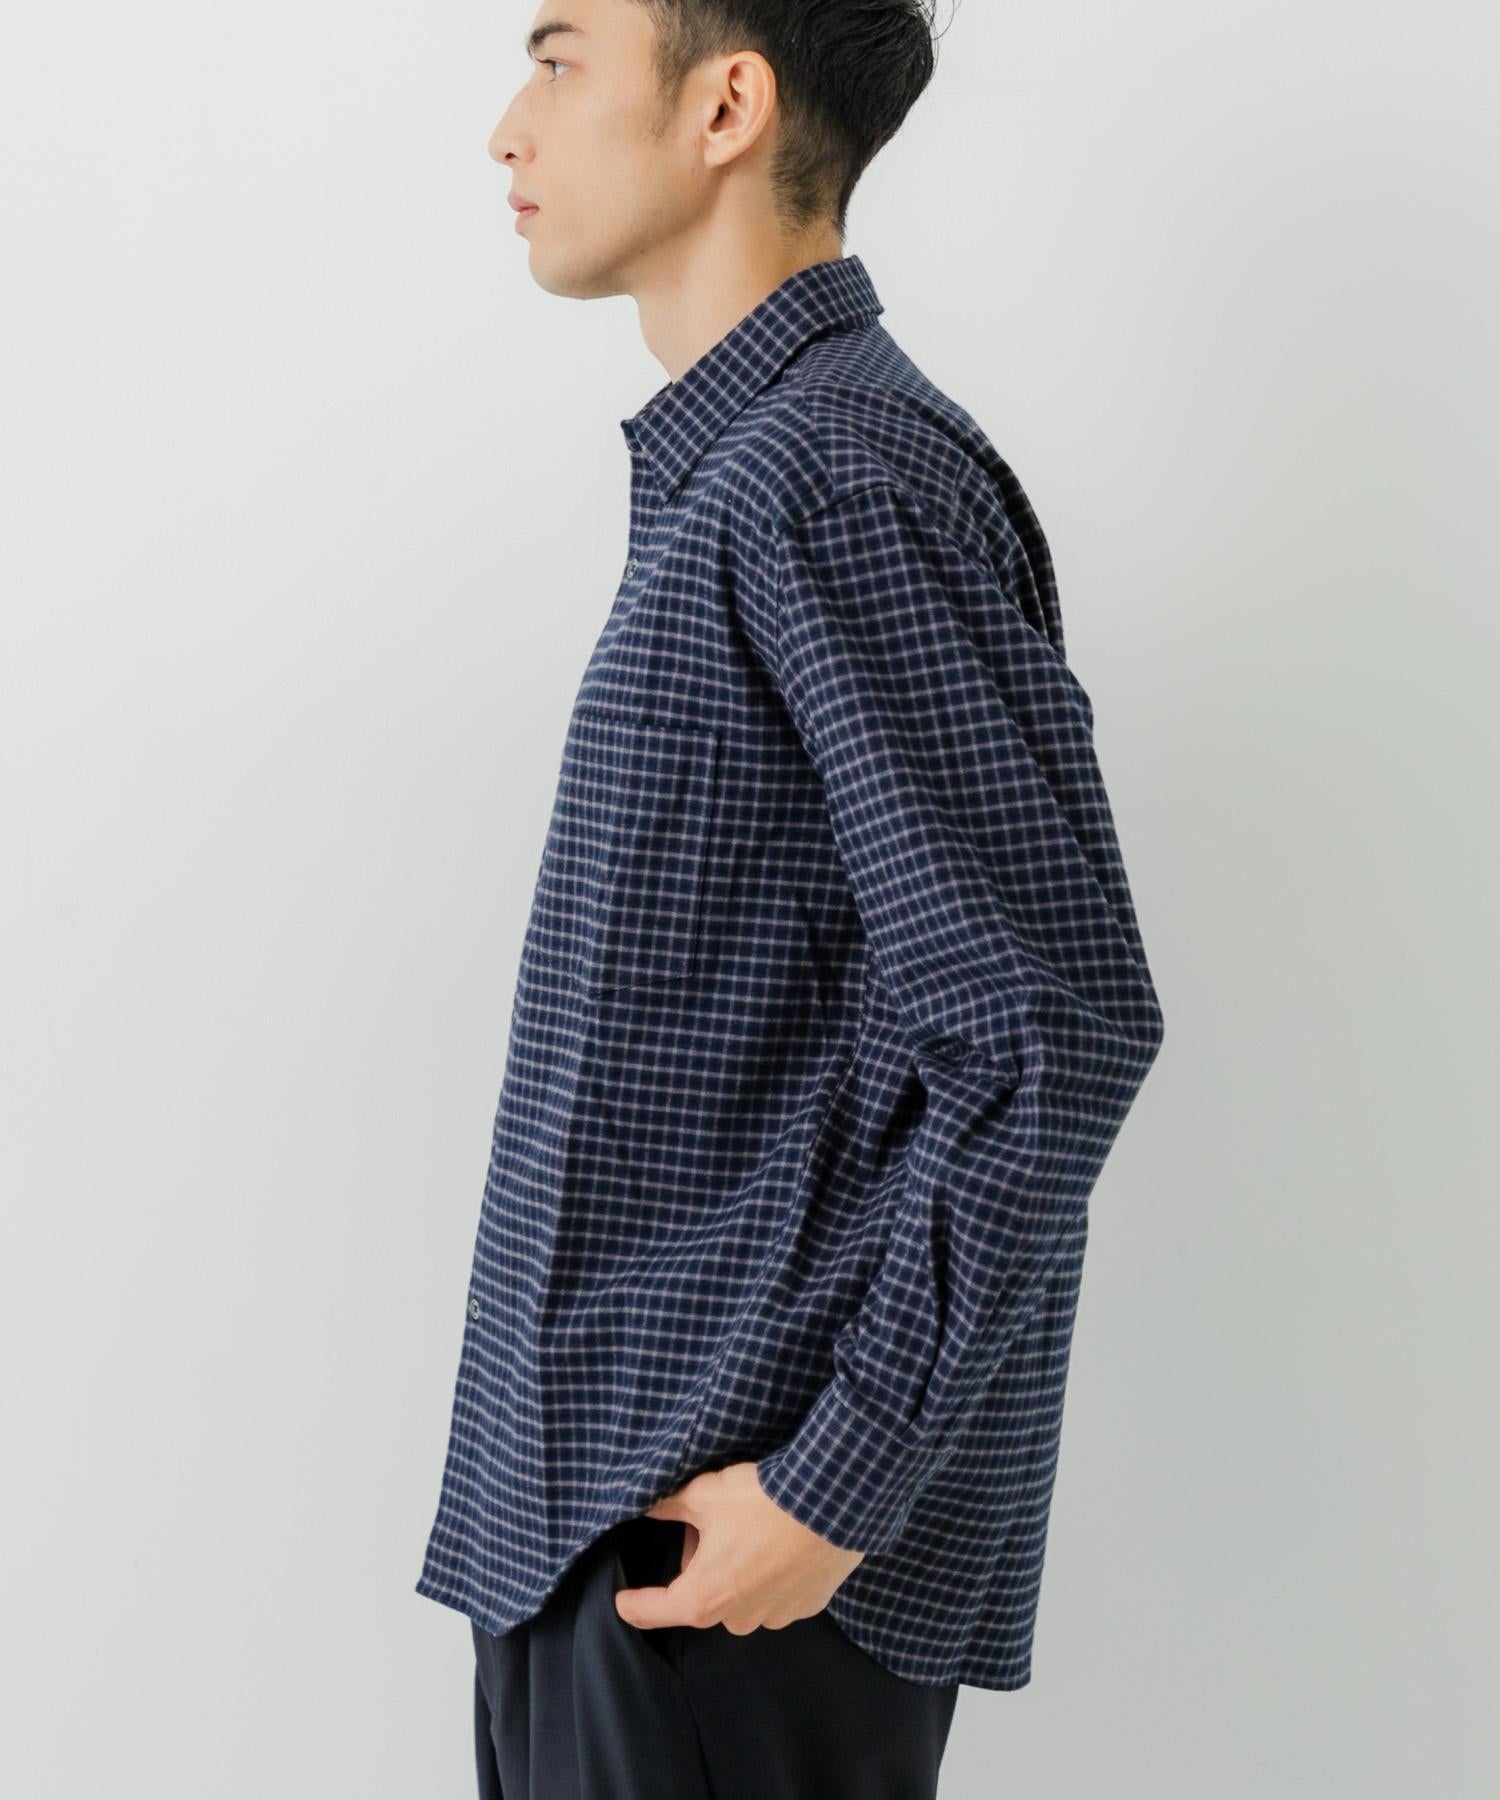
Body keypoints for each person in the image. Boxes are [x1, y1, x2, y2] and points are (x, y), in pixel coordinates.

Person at [416, 3, 1166, 1794]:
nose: (508, 126)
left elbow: (1050, 1027)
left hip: (716, 1567)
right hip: (617, 1530)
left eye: (560, 58)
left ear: (726, 105)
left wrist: (835, 1485)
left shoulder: (832, 476)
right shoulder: (756, 478)